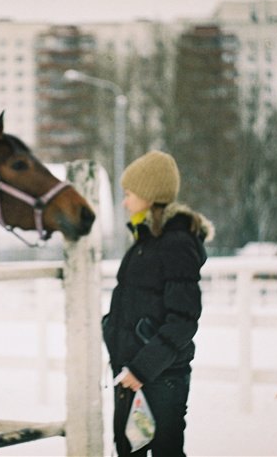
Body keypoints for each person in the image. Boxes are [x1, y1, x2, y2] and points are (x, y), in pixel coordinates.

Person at [102, 150, 214, 457]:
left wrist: (142, 369)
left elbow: (183, 319)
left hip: (161, 379)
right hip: (133, 376)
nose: (125, 202)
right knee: (128, 450)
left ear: (149, 196)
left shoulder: (176, 244)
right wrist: (110, 329)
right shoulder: (146, 241)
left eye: (129, 194)